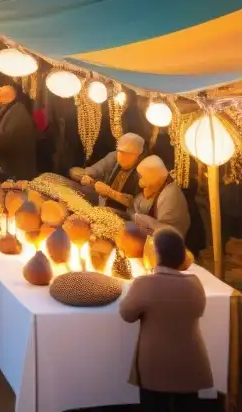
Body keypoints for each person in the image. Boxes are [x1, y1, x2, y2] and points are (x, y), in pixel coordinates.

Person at [119, 228, 212, 410]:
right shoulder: (195, 284)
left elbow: (127, 314)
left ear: (156, 254)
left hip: (155, 366)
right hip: (190, 364)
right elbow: (198, 311)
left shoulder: (144, 284)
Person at [70, 132, 145, 209]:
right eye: (120, 152)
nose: (122, 156)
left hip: (124, 212)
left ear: (137, 155)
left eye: (127, 154)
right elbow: (93, 170)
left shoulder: (143, 170)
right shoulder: (113, 157)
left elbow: (140, 206)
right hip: (102, 203)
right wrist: (86, 177)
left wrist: (110, 193)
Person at [131, 156, 191, 238]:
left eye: (141, 177)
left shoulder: (169, 195)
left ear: (152, 175)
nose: (140, 182)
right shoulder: (160, 184)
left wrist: (138, 218)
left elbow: (166, 231)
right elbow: (139, 203)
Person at [0, 84, 36, 181]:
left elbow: (4, 140)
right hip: (11, 167)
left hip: (17, 172)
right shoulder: (13, 108)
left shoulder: (18, 112)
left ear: (2, 97)